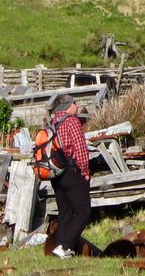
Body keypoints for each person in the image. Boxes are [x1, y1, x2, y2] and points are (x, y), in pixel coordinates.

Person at [47, 94, 90, 259]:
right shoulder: (71, 121)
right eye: (74, 102)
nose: (77, 105)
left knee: (65, 211)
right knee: (83, 211)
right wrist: (85, 171)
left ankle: (60, 247)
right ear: (67, 105)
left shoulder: (51, 123)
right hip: (72, 171)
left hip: (55, 173)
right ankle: (64, 247)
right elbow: (80, 148)